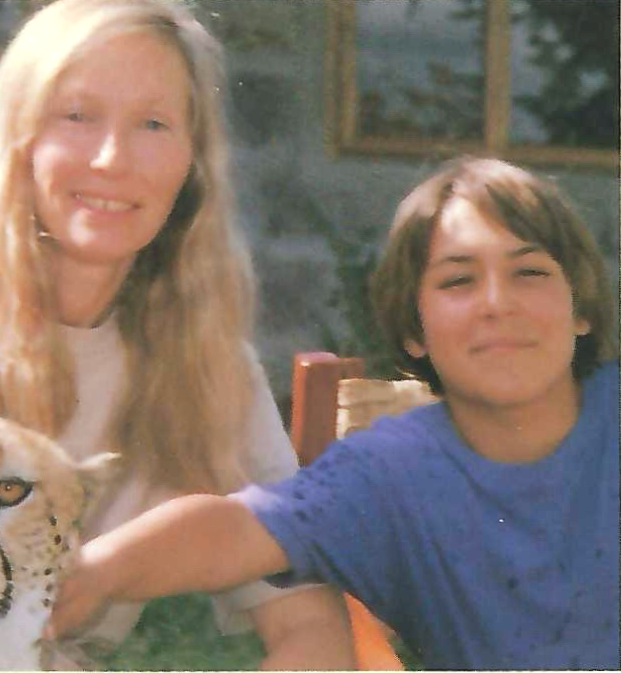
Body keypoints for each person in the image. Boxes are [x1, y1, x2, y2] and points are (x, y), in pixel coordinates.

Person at [0, 0, 355, 669]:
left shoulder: (207, 363)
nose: (112, 158)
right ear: (17, 139)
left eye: (152, 123)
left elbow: (310, 628)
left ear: (192, 165)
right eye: (76, 116)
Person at [47, 157, 620, 670]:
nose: (497, 302)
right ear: (414, 330)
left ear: (582, 309)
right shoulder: (392, 473)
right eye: (459, 280)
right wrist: (98, 571)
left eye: (530, 272)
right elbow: (230, 529)